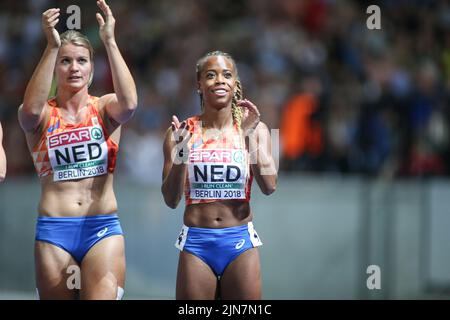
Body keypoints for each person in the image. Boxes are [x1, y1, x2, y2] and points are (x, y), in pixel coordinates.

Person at [18, 0, 137, 300]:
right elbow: (29, 111)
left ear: (92, 69)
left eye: (82, 61)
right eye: (65, 60)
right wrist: (50, 47)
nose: (74, 68)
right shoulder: (43, 115)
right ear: (55, 67)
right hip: (54, 231)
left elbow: (131, 105)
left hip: (102, 227)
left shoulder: (105, 107)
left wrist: (109, 41)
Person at [161, 51, 278, 299]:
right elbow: (170, 200)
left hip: (239, 242)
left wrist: (248, 138)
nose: (219, 81)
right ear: (199, 84)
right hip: (196, 243)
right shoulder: (179, 133)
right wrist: (181, 153)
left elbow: (269, 185)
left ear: (235, 83)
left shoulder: (257, 129)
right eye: (211, 75)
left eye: (227, 75)